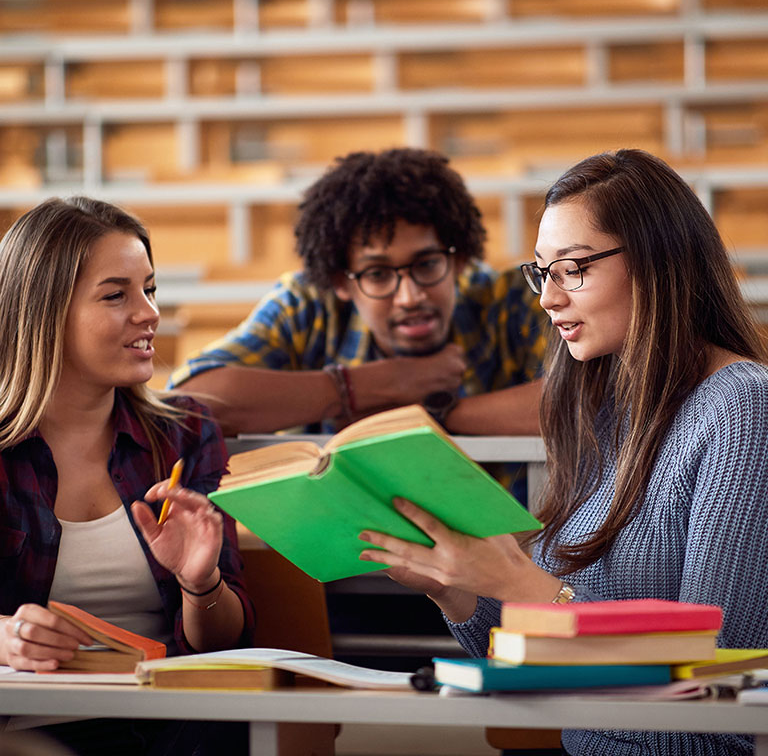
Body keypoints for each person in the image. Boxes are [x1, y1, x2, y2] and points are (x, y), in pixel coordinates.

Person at [357, 149, 768, 756]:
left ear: (658, 263)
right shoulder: (604, 410)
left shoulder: (741, 407)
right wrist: (455, 586)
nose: (548, 299)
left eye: (572, 269)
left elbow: (720, 674)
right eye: (542, 272)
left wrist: (523, 582)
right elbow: (537, 656)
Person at [0, 197, 256, 756]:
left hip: (173, 726)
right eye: (116, 295)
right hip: (27, 730)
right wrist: (3, 638)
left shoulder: (186, 432)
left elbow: (225, 642)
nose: (148, 313)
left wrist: (201, 581)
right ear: (42, 315)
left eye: (150, 289)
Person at [167, 147, 546, 442]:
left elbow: (592, 401)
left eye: (427, 264)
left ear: (461, 258)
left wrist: (434, 411)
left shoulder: (510, 298)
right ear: (340, 281)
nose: (410, 297)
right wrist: (367, 385)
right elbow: (186, 406)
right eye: (378, 274)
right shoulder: (306, 308)